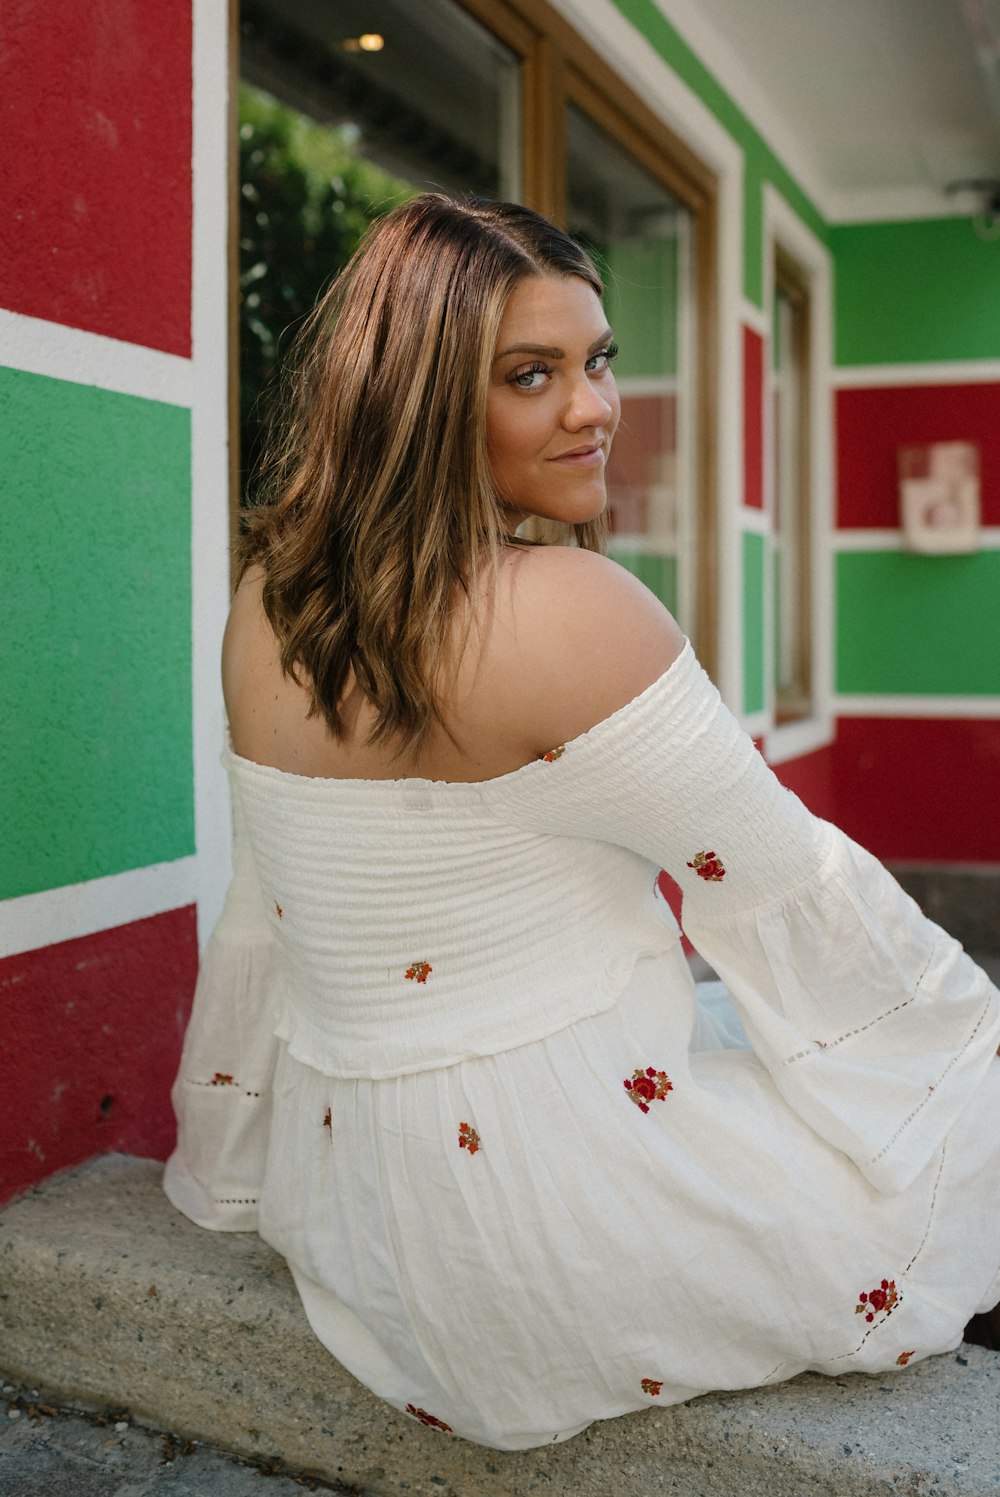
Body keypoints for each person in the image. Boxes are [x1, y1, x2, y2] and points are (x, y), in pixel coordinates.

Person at [165, 193, 1000, 1451]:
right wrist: (957, 1054)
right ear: (421, 397)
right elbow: (786, 895)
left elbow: (265, 919)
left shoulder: (269, 603)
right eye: (530, 375)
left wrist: (226, 1157)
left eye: (598, 360)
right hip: (568, 1229)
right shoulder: (569, 610)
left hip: (368, 1210)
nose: (594, 408)